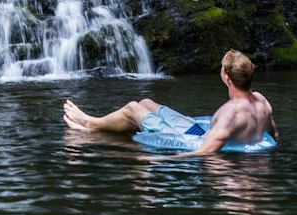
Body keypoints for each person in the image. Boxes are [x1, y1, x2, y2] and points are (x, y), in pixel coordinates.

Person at [62, 49, 279, 157]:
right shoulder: (262, 101)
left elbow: (205, 152)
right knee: (146, 102)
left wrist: (164, 161)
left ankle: (90, 124)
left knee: (133, 108)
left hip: (190, 140)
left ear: (227, 78)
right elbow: (273, 135)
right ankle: (98, 126)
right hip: (199, 132)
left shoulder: (230, 113)